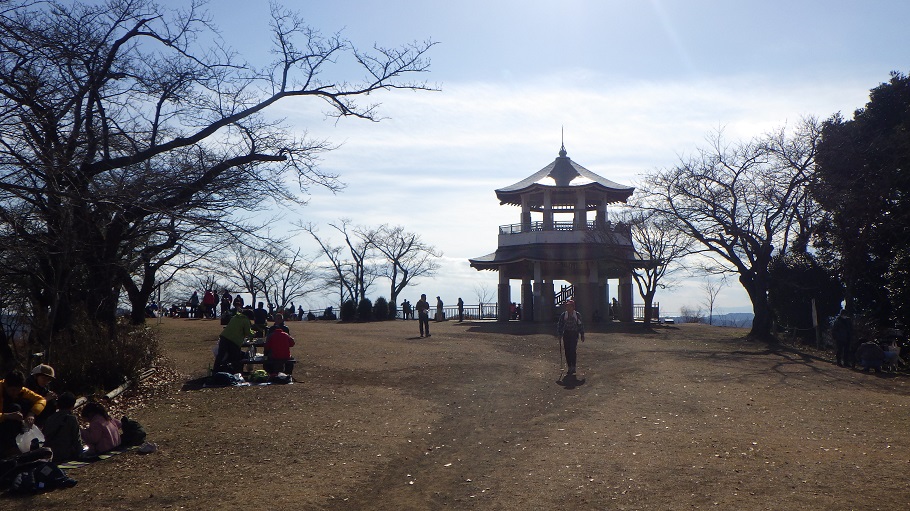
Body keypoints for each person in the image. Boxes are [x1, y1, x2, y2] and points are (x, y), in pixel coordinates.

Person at [0, 370, 47, 457]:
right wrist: (7, 416)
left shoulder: (22, 391)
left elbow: (41, 400)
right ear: (6, 385)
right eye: (13, 390)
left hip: (12, 425)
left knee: (25, 404)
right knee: (15, 407)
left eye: (18, 390)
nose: (15, 393)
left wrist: (32, 413)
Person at [41, 391, 84, 463]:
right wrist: (81, 455)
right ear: (72, 406)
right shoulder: (71, 419)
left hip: (51, 454)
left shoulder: (50, 418)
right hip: (66, 454)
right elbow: (76, 439)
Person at [215, 309, 254, 373]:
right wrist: (254, 333)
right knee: (235, 357)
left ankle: (216, 370)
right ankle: (235, 371)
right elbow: (248, 332)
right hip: (234, 341)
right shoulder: (245, 320)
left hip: (224, 337)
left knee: (220, 355)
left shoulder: (235, 317)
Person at [556, 300, 585, 375]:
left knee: (572, 350)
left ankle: (573, 367)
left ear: (573, 307)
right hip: (566, 334)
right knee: (567, 351)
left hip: (574, 334)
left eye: (570, 306)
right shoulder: (563, 315)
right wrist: (559, 334)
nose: (568, 308)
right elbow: (560, 324)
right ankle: (569, 367)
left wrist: (582, 334)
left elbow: (580, 325)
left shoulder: (577, 315)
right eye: (567, 306)